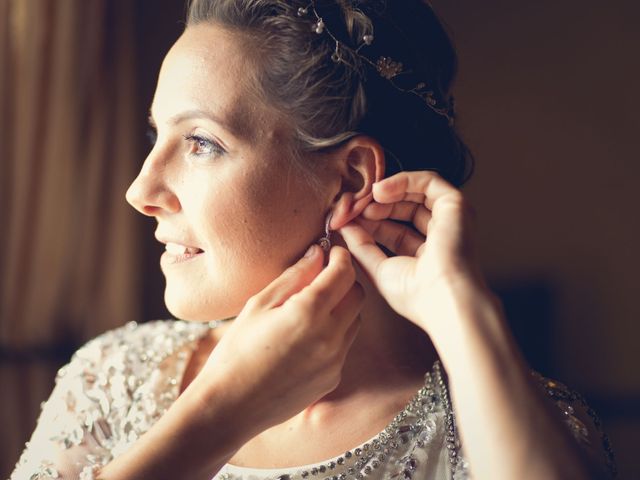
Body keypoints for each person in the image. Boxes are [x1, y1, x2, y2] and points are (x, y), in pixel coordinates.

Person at [10, 1, 617, 479]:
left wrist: (462, 309)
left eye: (201, 142)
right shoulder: (111, 378)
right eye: (155, 137)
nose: (141, 190)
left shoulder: (528, 424)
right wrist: (219, 416)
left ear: (351, 178)